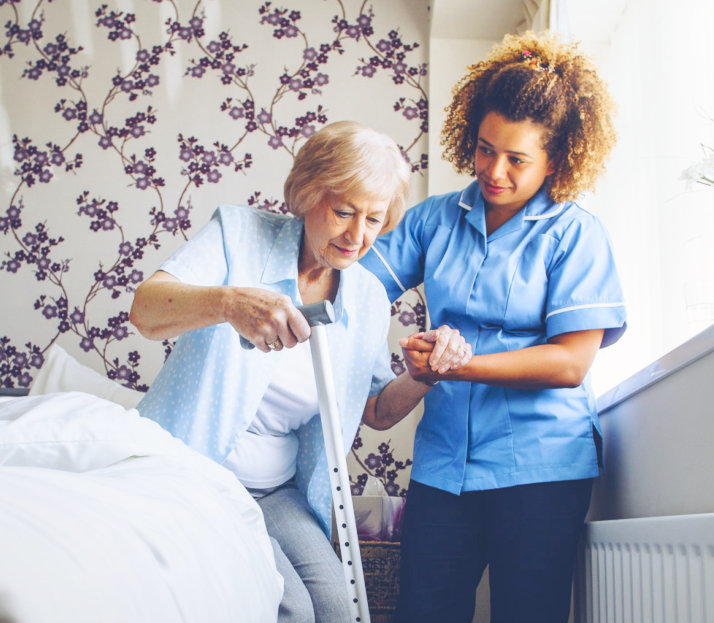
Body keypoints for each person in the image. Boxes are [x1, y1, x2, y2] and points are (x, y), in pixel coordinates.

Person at [129, 121, 472, 623]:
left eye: (374, 220)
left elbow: (373, 409)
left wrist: (423, 374)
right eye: (343, 212)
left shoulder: (368, 298)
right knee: (284, 602)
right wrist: (227, 303)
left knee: (339, 607)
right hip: (198, 475)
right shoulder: (239, 235)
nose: (357, 237)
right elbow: (145, 311)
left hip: (278, 490)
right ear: (309, 194)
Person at [359, 30, 626, 623]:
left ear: (556, 159)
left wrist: (456, 364)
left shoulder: (575, 235)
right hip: (444, 466)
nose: (493, 170)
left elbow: (570, 364)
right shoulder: (433, 221)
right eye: (484, 149)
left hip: (541, 469)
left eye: (516, 158)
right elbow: (354, 287)